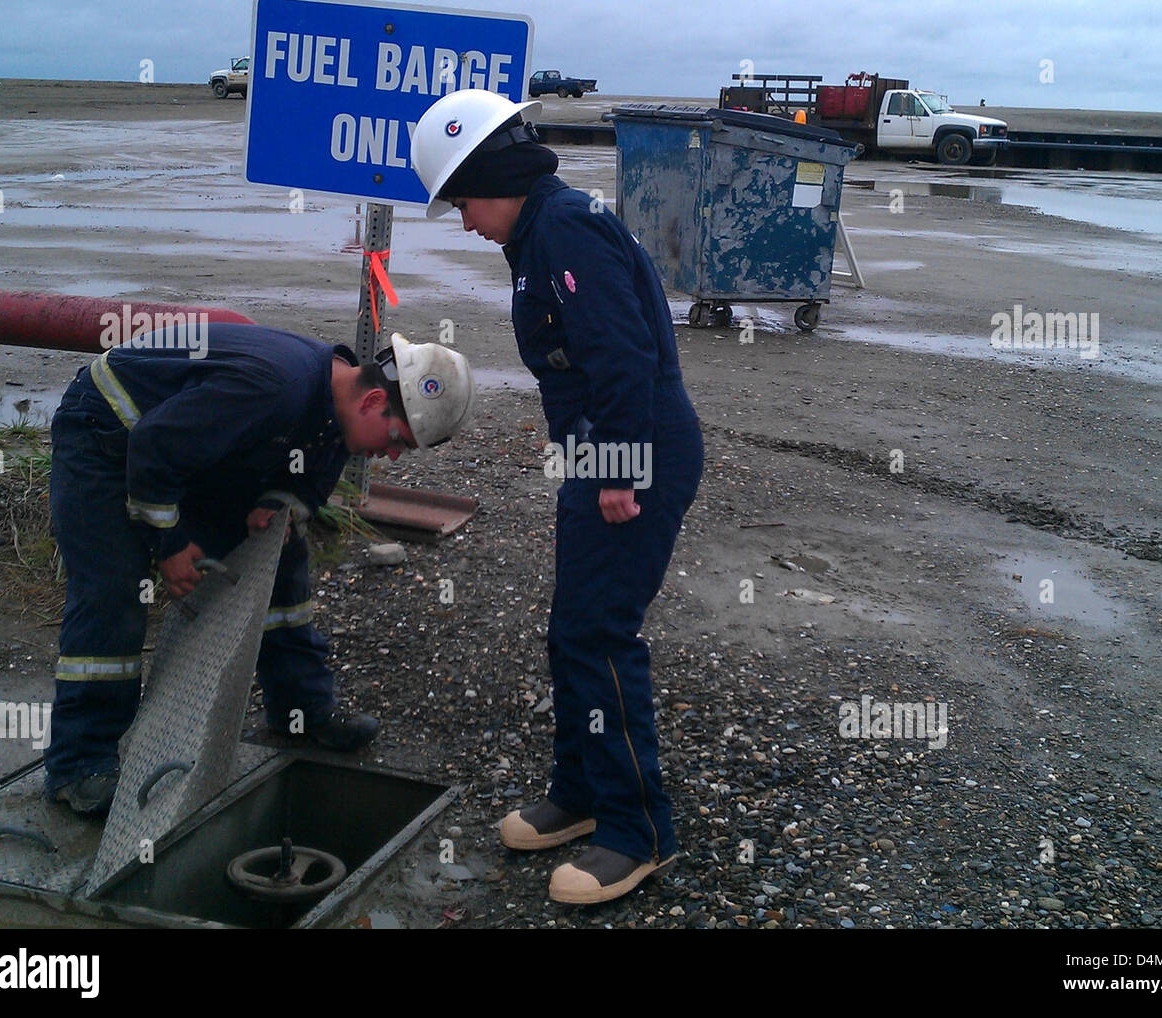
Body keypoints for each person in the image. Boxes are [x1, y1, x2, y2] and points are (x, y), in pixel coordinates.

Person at [413, 90, 704, 904]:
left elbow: (622, 357)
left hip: (638, 449)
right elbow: (569, 367)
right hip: (604, 450)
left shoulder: (566, 228)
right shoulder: (538, 236)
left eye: (463, 202)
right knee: (571, 631)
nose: (465, 222)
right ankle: (578, 791)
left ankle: (637, 829)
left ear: (493, 173)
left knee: (602, 635)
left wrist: (615, 470)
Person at [44, 323, 475, 816]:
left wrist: (277, 503)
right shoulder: (275, 389)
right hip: (105, 435)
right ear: (374, 400)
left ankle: (301, 709)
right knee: (113, 593)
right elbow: (153, 446)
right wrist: (171, 543)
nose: (392, 453)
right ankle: (80, 765)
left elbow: (309, 476)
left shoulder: (332, 404)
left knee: (281, 551)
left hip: (173, 445)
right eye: (398, 438)